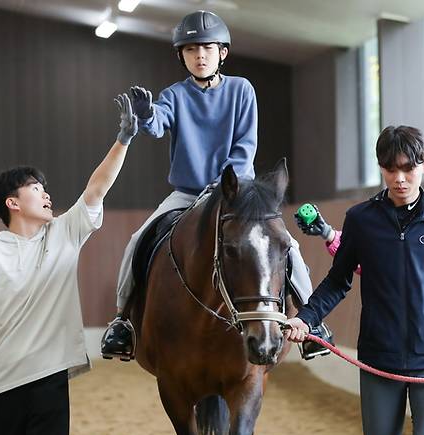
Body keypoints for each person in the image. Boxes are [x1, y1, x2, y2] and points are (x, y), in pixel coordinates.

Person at [100, 9, 332, 361]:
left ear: (222, 52)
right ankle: (122, 322)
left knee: (289, 246)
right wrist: (147, 115)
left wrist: (228, 185)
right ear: (182, 56)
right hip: (188, 194)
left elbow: (244, 146)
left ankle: (312, 324)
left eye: (207, 48)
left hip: (238, 194)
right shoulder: (175, 94)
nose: (200, 56)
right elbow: (160, 123)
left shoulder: (242, 90)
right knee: (138, 240)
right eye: (191, 50)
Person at [0, 94, 138, 435]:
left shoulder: (64, 233)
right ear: (12, 202)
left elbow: (97, 189)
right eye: (36, 188)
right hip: (0, 386)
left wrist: (123, 140)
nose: (46, 195)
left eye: (46, 189)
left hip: (51, 383)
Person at [284, 125, 424, 435]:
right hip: (379, 358)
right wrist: (305, 318)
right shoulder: (360, 219)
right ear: (381, 168)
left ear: (423, 165)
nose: (400, 179)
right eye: (390, 170)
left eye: (408, 169)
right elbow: (337, 281)